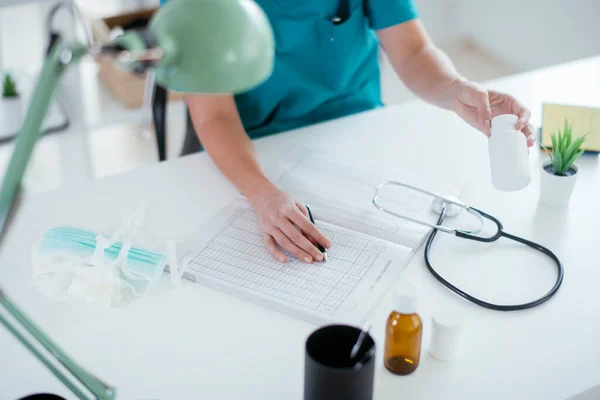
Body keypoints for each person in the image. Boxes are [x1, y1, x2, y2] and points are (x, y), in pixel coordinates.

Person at [178, 0, 535, 264]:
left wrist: (454, 89)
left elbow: (413, 50)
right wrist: (262, 194)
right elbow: (214, 118)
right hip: (255, 149)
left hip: (358, 132)